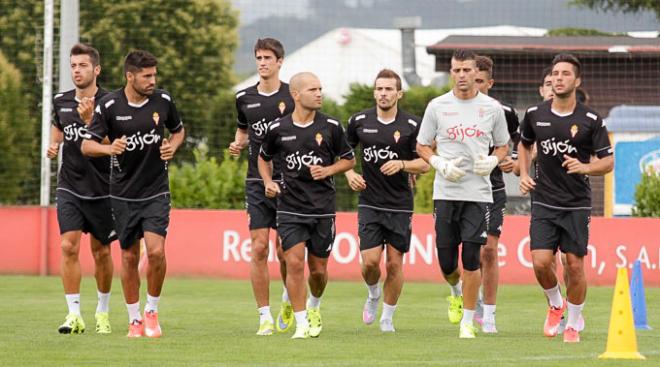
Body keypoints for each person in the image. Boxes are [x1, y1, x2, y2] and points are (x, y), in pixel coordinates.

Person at [81, 50, 186, 338]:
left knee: (155, 252)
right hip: (123, 194)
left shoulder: (163, 100)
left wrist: (173, 146)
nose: (153, 80)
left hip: (156, 191)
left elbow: (178, 130)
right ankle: (134, 318)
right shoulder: (110, 105)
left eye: (154, 75)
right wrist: (109, 148)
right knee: (128, 257)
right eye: (146, 76)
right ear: (130, 76)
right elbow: (87, 146)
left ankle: (152, 311)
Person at [517, 53, 613, 343]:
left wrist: (584, 166)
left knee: (574, 265)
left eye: (565, 74)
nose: (558, 78)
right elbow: (524, 145)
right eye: (555, 73)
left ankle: (572, 324)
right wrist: (523, 173)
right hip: (544, 200)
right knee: (541, 262)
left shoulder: (591, 120)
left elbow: (607, 162)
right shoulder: (535, 114)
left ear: (577, 80)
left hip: (576, 204)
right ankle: (556, 303)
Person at [417, 49, 509, 338]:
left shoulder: (492, 108)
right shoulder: (437, 106)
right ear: (451, 72)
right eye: (456, 70)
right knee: (447, 263)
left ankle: (468, 320)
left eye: (466, 70)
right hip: (446, 192)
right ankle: (455, 291)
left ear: (475, 73)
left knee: (472, 258)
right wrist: (438, 162)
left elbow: (503, 145)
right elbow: (422, 145)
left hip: (479, 195)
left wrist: (493, 160)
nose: (461, 76)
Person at [258, 72, 355, 339]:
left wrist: (328, 170)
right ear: (296, 95)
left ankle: (313, 305)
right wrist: (268, 181)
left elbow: (349, 160)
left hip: (322, 209)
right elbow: (263, 158)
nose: (319, 93)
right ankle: (301, 324)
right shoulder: (278, 129)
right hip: (289, 207)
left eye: (321, 88)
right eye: (313, 89)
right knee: (294, 264)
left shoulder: (332, 126)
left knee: (319, 271)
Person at [345, 69, 430, 333]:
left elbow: (426, 163)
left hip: (400, 204)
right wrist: (349, 173)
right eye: (379, 89)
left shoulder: (414, 125)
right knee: (370, 262)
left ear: (399, 94)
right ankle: (373, 294)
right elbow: (343, 155)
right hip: (370, 201)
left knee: (395, 263)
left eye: (389, 89)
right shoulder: (358, 121)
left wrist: (403, 164)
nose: (384, 93)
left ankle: (387, 318)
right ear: (374, 92)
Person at [229, 38, 294, 336]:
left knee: (284, 251)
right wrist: (238, 144)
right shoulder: (244, 97)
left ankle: (287, 299)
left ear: (280, 61)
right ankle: (264, 316)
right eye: (259, 57)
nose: (263, 62)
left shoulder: (293, 95)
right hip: (256, 181)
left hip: (289, 182)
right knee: (258, 247)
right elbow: (244, 129)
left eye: (268, 57)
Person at [49, 43, 115, 335]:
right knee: (68, 246)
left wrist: (91, 122)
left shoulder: (112, 103)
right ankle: (73, 314)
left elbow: (113, 146)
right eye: (73, 65)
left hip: (103, 189)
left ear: (96, 69)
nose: (77, 70)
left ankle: (102, 310)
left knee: (101, 252)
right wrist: (54, 144)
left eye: (83, 65)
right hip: (70, 186)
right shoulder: (61, 101)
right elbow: (58, 126)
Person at [472, 55, 520, 333]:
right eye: (470, 79)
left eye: (481, 81)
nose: (475, 86)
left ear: (490, 82)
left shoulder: (505, 112)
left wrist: (513, 160)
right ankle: (462, 294)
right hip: (460, 190)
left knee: (488, 251)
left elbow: (519, 144)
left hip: (493, 189)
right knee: (461, 256)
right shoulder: (448, 108)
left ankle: (489, 314)